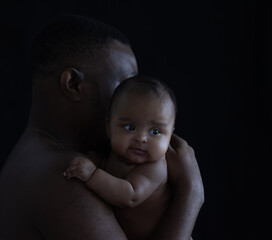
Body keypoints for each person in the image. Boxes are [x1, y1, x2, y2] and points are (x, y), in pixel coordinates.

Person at [0, 14, 204, 239]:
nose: (141, 104)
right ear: (74, 85)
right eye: (125, 86)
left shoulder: (29, 158)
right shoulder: (66, 175)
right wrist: (191, 193)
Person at [64, 75, 178, 239]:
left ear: (170, 135)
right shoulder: (118, 154)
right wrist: (100, 162)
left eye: (155, 131)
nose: (141, 138)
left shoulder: (155, 167)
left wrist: (92, 173)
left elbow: (129, 195)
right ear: (109, 128)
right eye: (130, 127)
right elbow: (114, 174)